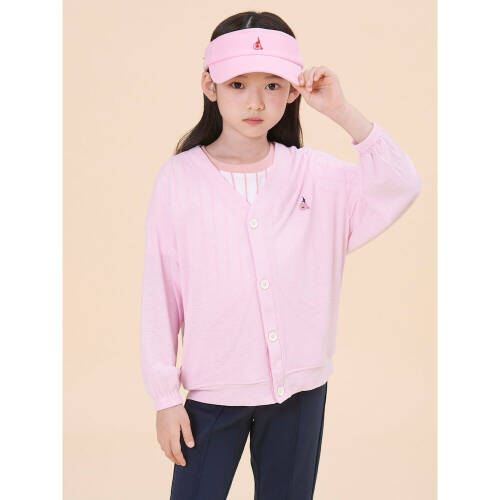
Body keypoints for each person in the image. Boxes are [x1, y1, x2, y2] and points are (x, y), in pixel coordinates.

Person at [139, 11, 423, 500]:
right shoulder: (180, 179)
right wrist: (165, 398)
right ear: (209, 85)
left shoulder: (317, 176)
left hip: (300, 392)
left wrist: (342, 111)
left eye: (272, 85)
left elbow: (402, 184)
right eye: (238, 84)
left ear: (293, 91)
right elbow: (160, 293)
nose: (255, 101)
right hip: (213, 393)